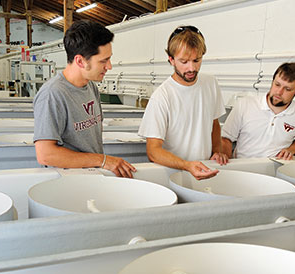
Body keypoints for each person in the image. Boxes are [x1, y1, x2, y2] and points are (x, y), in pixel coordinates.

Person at [33, 20, 136, 178]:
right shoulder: (52, 94)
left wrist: (101, 163)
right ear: (80, 61)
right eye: (103, 61)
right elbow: (46, 154)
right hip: (68, 181)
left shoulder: (91, 86)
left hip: (91, 175)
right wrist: (103, 160)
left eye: (109, 59)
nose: (109, 66)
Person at [138, 25, 227, 180]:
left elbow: (214, 124)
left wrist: (216, 152)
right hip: (172, 173)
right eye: (184, 61)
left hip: (204, 169)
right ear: (171, 60)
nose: (191, 68)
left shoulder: (211, 83)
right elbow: (153, 150)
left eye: (196, 60)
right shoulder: (162, 97)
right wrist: (187, 165)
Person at [221, 62, 295, 160]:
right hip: (242, 168)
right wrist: (228, 163)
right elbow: (226, 138)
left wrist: (291, 150)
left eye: (287, 89)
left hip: (273, 171)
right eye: (277, 84)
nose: (279, 92)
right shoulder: (245, 105)